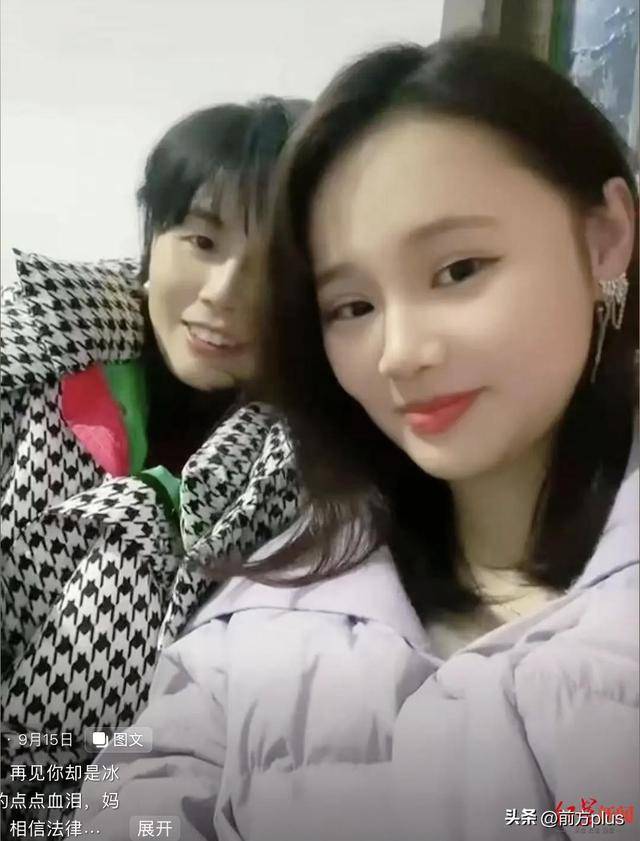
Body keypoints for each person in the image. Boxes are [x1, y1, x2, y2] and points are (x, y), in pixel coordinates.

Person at [79, 37, 638, 841]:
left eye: (459, 269)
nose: (399, 353)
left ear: (606, 236)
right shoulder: (272, 600)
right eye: (352, 306)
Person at [0, 96, 308, 822]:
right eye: (201, 240)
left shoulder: (315, 477)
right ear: (154, 237)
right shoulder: (29, 361)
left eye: (277, 265)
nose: (224, 293)